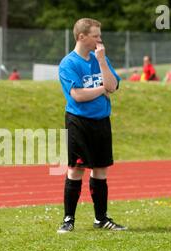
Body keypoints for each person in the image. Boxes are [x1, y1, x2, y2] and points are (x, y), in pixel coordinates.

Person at [57, 18, 127, 233]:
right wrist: (101, 90)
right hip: (79, 122)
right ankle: (68, 219)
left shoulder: (100, 59)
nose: (100, 39)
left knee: (100, 169)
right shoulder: (68, 63)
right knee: (76, 169)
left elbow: (113, 86)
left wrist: (103, 62)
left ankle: (101, 218)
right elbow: (77, 95)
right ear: (81, 37)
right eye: (95, 35)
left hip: (101, 121)